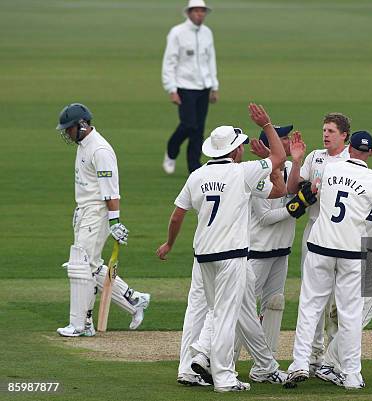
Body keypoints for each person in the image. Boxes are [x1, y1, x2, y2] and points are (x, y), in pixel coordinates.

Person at [156, 103, 285, 392]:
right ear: (235, 151)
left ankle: (197, 360)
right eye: (239, 146)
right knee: (225, 316)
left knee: (215, 313)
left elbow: (177, 215)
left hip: (203, 257)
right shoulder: (243, 173)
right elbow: (280, 156)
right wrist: (266, 125)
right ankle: (224, 376)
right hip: (232, 257)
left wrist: (168, 244)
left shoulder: (196, 176)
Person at [286, 131, 372, 389]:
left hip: (322, 246)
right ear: (371, 153)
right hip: (361, 251)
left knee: (312, 308)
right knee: (353, 315)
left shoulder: (331, 169)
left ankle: (299, 364)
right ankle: (341, 369)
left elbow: (309, 190)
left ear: (349, 148)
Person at [55, 103, 150, 337]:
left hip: (96, 213)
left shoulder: (100, 150)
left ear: (83, 125)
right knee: (94, 267)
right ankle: (134, 299)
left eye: (69, 129)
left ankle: (80, 324)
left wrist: (114, 222)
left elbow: (111, 191)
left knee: (81, 267)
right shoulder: (84, 145)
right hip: (85, 212)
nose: (67, 133)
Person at [285, 112, 351, 373]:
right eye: (324, 130)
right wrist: (297, 161)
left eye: (331, 131)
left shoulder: (351, 160)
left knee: (338, 300)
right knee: (313, 297)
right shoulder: (315, 157)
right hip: (314, 232)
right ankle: (313, 356)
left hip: (340, 234)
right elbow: (293, 189)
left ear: (344, 135)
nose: (325, 135)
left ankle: (333, 359)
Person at [248, 125, 300, 355]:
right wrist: (296, 207)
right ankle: (222, 362)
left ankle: (265, 366)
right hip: (258, 252)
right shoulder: (257, 175)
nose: (288, 142)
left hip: (281, 251)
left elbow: (294, 189)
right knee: (244, 309)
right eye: (283, 139)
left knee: (274, 305)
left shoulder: (289, 168)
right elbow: (265, 217)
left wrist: (298, 162)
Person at [162, 0, 219, 174]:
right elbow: (169, 61)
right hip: (184, 86)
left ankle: (194, 167)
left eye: (202, 11)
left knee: (199, 130)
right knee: (188, 124)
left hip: (204, 87)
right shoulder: (177, 33)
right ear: (189, 13)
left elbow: (211, 60)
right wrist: (171, 88)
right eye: (196, 11)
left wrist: (214, 86)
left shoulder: (207, 33)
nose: (200, 14)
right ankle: (171, 151)